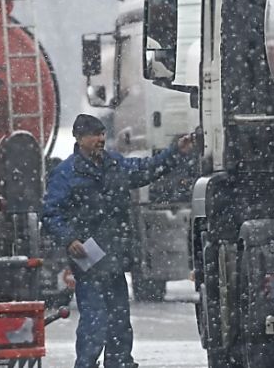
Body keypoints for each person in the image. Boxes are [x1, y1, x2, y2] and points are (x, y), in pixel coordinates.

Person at [42, 113, 194, 368]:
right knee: (94, 319)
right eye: (94, 135)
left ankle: (120, 363)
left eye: (102, 133)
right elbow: (51, 213)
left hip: (113, 258)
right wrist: (69, 239)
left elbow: (146, 169)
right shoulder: (66, 174)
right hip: (88, 263)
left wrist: (175, 152)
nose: (101, 139)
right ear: (79, 139)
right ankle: (87, 363)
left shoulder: (115, 165)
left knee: (119, 319)